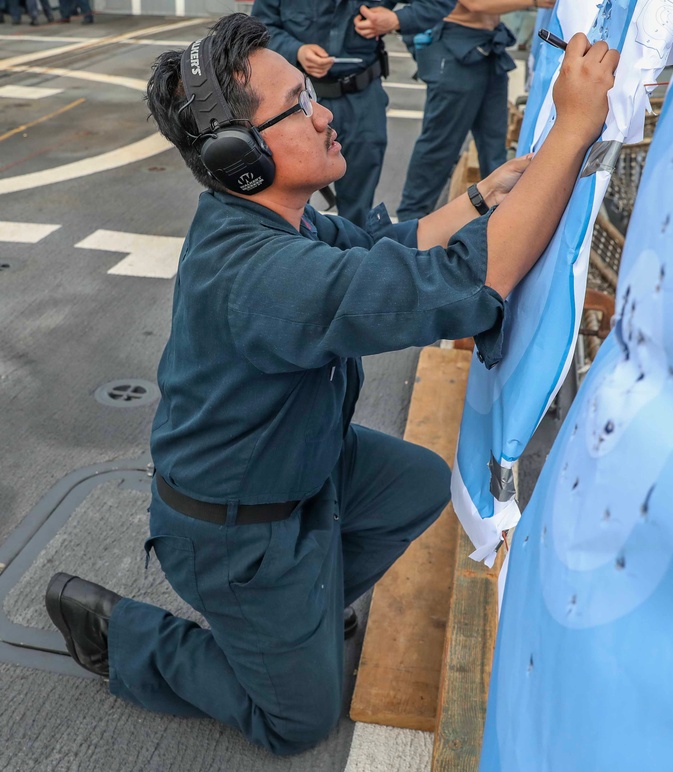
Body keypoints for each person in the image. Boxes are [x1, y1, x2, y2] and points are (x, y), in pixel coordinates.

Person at [43, 13, 618, 756]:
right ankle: (124, 637)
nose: (326, 112)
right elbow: (466, 283)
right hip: (234, 528)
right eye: (300, 106)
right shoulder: (264, 272)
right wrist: (571, 133)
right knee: (298, 724)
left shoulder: (276, 218)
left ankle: (294, 623)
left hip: (302, 471)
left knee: (415, 481)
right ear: (238, 155)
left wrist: (484, 198)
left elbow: (386, 242)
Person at [251, 0, 453, 226]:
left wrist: (396, 20)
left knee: (359, 205)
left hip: (362, 100)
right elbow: (260, 27)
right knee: (287, 200)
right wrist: (297, 50)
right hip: (298, 102)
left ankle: (356, 256)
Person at [395, 0, 555, 222]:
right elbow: (475, 3)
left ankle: (499, 223)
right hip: (457, 45)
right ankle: (408, 225)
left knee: (494, 148)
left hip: (489, 44)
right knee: (440, 146)